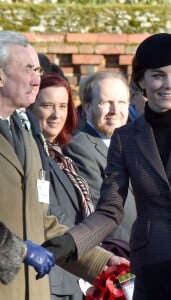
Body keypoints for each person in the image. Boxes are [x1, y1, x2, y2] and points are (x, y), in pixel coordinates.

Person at [44, 24, 171, 300]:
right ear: (141, 82)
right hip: (152, 276)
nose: (169, 84)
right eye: (158, 76)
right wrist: (67, 243)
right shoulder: (126, 138)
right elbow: (109, 211)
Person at [0, 30, 128, 300]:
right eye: (27, 70)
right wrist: (17, 250)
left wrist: (99, 262)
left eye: (38, 69)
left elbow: (42, 220)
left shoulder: (26, 133)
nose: (37, 79)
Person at [29, 73, 93, 300]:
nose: (57, 115)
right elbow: (49, 216)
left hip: (74, 276)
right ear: (30, 106)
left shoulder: (62, 157)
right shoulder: (31, 154)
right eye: (47, 105)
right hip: (51, 277)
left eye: (63, 106)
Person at [62, 70, 136, 252]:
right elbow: (101, 212)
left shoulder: (135, 143)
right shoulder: (78, 148)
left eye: (121, 102)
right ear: (87, 107)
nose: (115, 110)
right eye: (106, 103)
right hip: (118, 255)